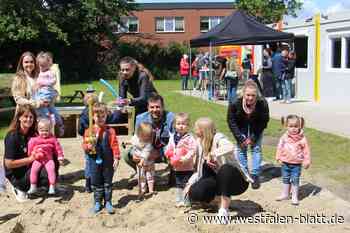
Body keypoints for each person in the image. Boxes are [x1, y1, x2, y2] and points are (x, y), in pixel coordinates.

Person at [185, 117, 250, 223]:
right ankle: (216, 200)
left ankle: (223, 209)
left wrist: (213, 154)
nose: (194, 131)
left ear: (203, 130)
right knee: (195, 192)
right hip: (216, 179)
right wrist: (189, 184)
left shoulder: (218, 138)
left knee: (225, 169)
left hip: (236, 181)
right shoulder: (199, 143)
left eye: (196, 128)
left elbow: (230, 146)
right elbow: (199, 170)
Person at [3, 105, 58, 202]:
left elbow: (50, 140)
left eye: (31, 117)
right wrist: (30, 159)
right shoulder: (12, 136)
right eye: (25, 116)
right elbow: (8, 164)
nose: (28, 119)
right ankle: (18, 188)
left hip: (30, 166)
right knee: (43, 173)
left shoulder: (34, 133)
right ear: (19, 118)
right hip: (17, 174)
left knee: (53, 160)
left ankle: (40, 186)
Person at [227, 80, 269, 189]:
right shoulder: (234, 102)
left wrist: (253, 137)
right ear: (243, 94)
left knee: (256, 148)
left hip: (256, 125)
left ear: (257, 95)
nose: (250, 98)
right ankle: (244, 174)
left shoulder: (262, 103)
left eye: (253, 95)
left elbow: (263, 122)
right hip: (240, 125)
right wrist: (240, 138)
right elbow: (231, 121)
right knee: (241, 148)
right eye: (248, 95)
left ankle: (255, 175)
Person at [82, 102, 120, 214]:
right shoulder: (89, 131)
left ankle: (108, 201)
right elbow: (84, 145)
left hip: (108, 161)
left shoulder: (110, 131)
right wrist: (87, 146)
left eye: (103, 116)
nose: (100, 118)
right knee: (96, 182)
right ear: (92, 116)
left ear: (106, 115)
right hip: (94, 161)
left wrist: (116, 157)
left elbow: (115, 145)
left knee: (108, 182)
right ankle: (97, 202)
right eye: (97, 116)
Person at [122, 94, 175, 175]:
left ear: (163, 107)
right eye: (152, 107)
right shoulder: (140, 118)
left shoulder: (171, 117)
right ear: (148, 108)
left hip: (164, 150)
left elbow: (175, 141)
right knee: (127, 154)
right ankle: (140, 172)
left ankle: (173, 174)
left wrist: (159, 153)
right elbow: (137, 139)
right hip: (145, 150)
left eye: (157, 107)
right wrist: (135, 154)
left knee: (175, 152)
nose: (155, 110)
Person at [276, 115, 311, 205]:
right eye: (291, 126)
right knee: (285, 178)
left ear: (300, 126)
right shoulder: (284, 137)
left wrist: (307, 161)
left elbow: (306, 150)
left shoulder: (302, 138)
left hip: (296, 164)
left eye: (296, 126)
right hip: (285, 162)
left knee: (295, 179)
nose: (293, 129)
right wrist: (278, 157)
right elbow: (280, 147)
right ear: (286, 126)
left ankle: (294, 196)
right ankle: (285, 194)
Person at [164, 112, 196, 207]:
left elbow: (193, 149)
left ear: (188, 126)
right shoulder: (173, 137)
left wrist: (185, 158)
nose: (181, 126)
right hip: (177, 166)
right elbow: (169, 147)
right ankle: (179, 200)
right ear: (174, 125)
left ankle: (187, 200)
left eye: (184, 124)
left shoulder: (190, 138)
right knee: (178, 184)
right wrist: (168, 153)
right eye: (178, 124)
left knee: (187, 183)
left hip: (187, 166)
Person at [27, 118, 64, 195]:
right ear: (38, 130)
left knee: (51, 170)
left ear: (50, 130)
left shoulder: (53, 139)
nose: (44, 133)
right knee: (34, 170)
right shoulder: (34, 140)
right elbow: (30, 148)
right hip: (38, 159)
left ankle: (52, 186)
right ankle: (33, 186)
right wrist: (31, 155)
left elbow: (58, 149)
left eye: (46, 130)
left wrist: (60, 157)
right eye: (41, 130)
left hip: (48, 159)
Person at [33, 52, 64, 135]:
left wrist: (42, 83)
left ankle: (59, 125)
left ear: (48, 64)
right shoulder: (39, 73)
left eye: (44, 65)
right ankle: (47, 128)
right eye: (40, 65)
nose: (42, 67)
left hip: (48, 96)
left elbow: (53, 81)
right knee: (45, 113)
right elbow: (36, 86)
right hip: (41, 96)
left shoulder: (50, 72)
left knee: (53, 112)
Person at [130, 122, 155, 198]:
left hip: (148, 163)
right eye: (144, 136)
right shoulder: (136, 138)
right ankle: (143, 189)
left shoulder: (148, 144)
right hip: (139, 163)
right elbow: (132, 142)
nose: (146, 138)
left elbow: (145, 155)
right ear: (139, 134)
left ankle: (151, 189)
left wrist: (141, 161)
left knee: (150, 175)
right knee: (141, 177)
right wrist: (126, 143)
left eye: (148, 137)